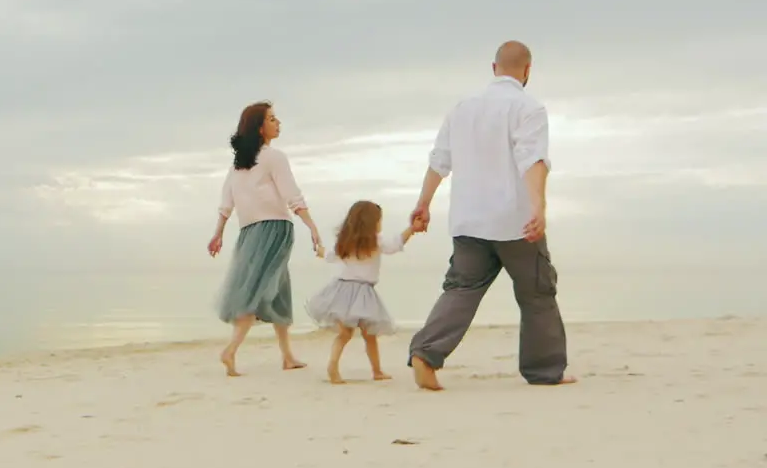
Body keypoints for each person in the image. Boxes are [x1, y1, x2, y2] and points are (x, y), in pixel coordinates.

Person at [406, 40, 576, 390]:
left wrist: (423, 204)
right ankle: (544, 372)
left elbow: (439, 160)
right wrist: (538, 207)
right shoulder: (528, 108)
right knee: (537, 293)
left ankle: (426, 352)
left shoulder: (462, 108)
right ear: (528, 71)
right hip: (514, 222)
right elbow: (532, 159)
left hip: (468, 220)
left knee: (460, 289)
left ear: (493, 68)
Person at [208, 101, 324, 377]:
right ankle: (231, 350)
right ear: (260, 128)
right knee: (257, 292)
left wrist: (219, 233)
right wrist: (312, 227)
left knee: (279, 291)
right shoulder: (274, 157)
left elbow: (227, 202)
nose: (278, 123)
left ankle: (287, 356)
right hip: (273, 230)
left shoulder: (238, 165)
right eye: (272, 119)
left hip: (249, 232)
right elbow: (292, 195)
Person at [306, 201, 417, 384]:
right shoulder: (377, 240)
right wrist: (411, 229)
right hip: (363, 293)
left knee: (344, 334)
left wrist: (320, 252)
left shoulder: (345, 241)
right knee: (369, 335)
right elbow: (395, 245)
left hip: (341, 290)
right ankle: (376, 371)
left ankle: (334, 365)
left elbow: (330, 256)